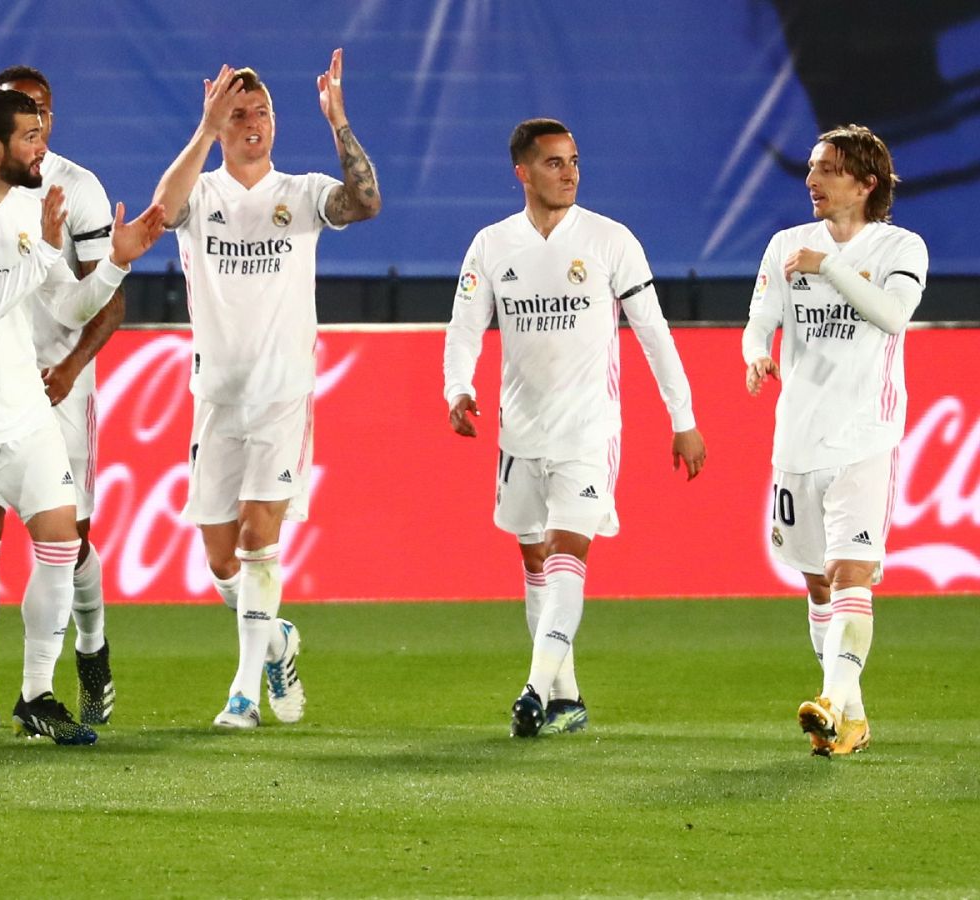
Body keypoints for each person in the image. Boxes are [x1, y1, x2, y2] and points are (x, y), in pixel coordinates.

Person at [0, 88, 164, 746]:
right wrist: (44, 253)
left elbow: (69, 308)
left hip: (26, 410)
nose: (41, 148)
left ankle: (37, 694)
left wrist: (114, 263)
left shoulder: (32, 208)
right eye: (29, 137)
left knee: (60, 545)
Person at [444, 118, 706, 738]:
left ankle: (533, 689)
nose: (569, 173)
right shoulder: (491, 245)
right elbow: (463, 328)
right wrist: (457, 388)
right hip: (519, 434)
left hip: (589, 431)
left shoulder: (611, 241)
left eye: (574, 161)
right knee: (534, 557)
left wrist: (684, 418)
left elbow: (654, 333)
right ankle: (566, 696)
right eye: (555, 163)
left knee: (568, 549)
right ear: (523, 173)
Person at [151, 50, 381, 729]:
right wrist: (201, 129)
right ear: (221, 124)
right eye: (239, 114)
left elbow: (365, 201)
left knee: (257, 536)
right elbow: (162, 212)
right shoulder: (203, 196)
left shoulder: (302, 193)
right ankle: (275, 639)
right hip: (218, 397)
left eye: (263, 113)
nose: (253, 124)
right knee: (220, 556)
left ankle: (243, 694)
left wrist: (339, 121)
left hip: (282, 393)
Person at [742, 124, 925, 758]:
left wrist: (832, 267)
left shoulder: (902, 246)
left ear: (866, 183)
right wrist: (754, 355)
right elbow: (759, 319)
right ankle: (849, 716)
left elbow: (893, 315)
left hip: (865, 436)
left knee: (854, 573)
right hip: (796, 436)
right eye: (812, 168)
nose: (812, 181)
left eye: (827, 170)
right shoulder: (785, 246)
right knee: (819, 582)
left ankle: (829, 698)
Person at [0, 65, 124, 730]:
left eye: (42, 110)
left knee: (67, 537)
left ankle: (89, 647)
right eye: (20, 109)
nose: (36, 120)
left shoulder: (77, 187)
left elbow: (109, 300)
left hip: (56, 384)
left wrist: (70, 365)